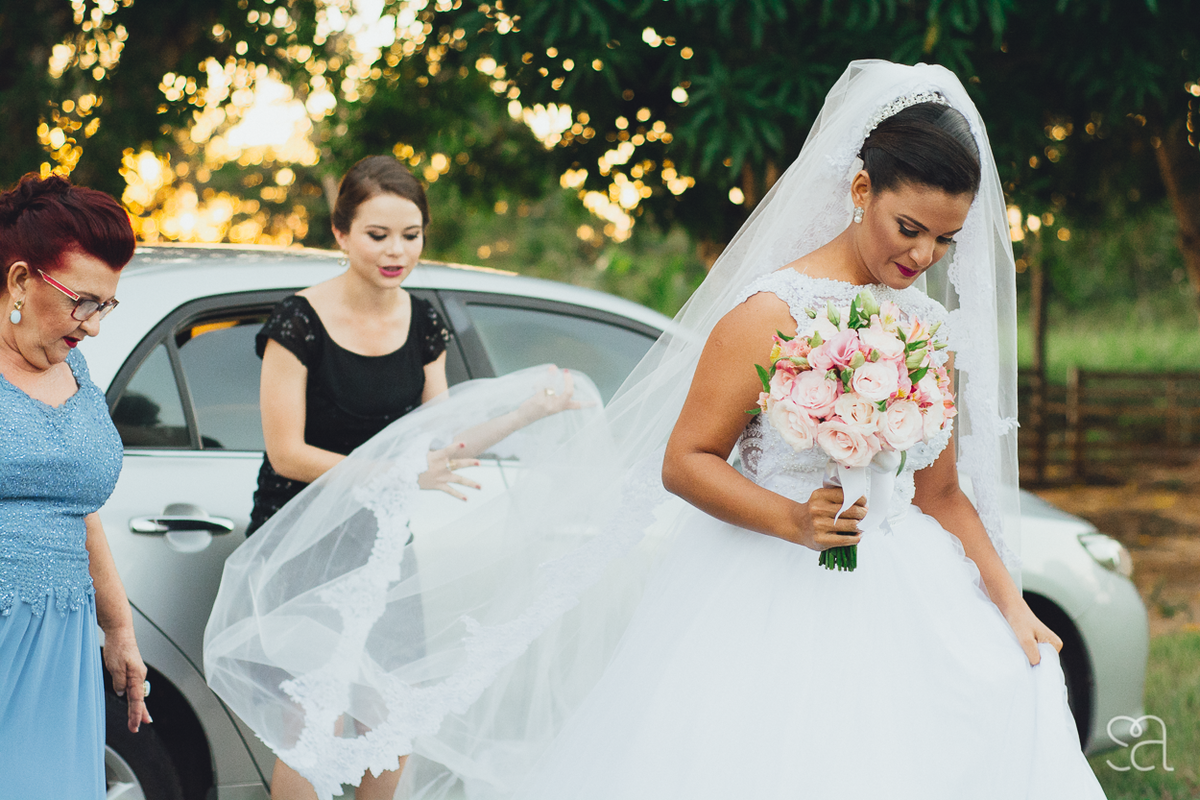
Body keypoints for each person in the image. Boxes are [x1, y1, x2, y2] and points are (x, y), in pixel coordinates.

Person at [206, 61, 1104, 799]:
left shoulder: (924, 327)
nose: (923, 258)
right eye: (910, 229)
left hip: (907, 586)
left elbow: (942, 493)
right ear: (860, 190)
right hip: (768, 586)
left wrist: (1009, 600)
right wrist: (793, 520)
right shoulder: (768, 313)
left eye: (944, 243)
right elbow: (686, 462)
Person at [243, 155, 581, 799]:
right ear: (341, 234)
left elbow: (436, 441)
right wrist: (399, 472)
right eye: (378, 235)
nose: (396, 250)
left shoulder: (423, 320)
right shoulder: (298, 322)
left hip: (381, 546)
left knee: (389, 721)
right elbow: (287, 453)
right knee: (311, 725)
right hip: (300, 540)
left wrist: (527, 412)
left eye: (411, 234)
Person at [0, 173, 150, 797]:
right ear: (20, 281)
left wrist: (119, 630)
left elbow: (80, 512)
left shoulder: (76, 367)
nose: (92, 325)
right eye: (82, 302)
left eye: (105, 306)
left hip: (62, 642)